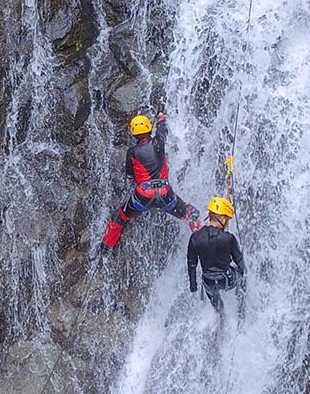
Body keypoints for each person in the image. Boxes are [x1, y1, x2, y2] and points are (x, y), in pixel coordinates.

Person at [99, 113, 197, 249]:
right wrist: (161, 116)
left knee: (120, 217)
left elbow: (129, 175)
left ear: (133, 133)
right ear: (149, 129)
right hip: (165, 195)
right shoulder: (159, 142)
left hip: (142, 197)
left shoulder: (132, 152)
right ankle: (203, 243)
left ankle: (105, 249)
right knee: (191, 213)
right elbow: (162, 128)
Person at [187, 196, 245, 318]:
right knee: (243, 277)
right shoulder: (228, 238)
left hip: (208, 281)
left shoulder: (195, 238)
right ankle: (241, 313)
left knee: (211, 290)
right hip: (227, 279)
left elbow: (192, 264)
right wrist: (244, 271)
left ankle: (221, 317)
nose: (227, 223)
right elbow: (239, 260)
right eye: (227, 219)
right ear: (222, 218)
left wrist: (193, 283)